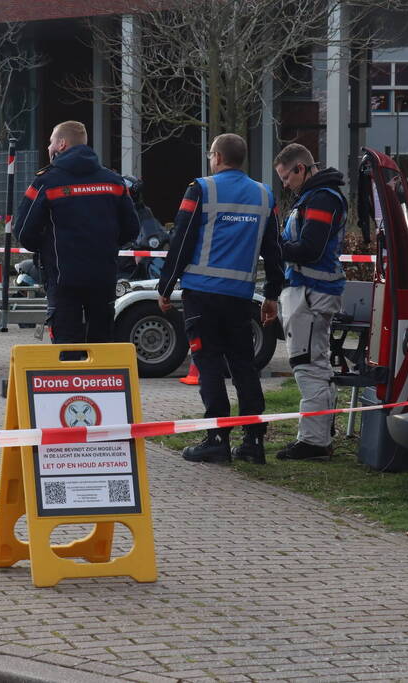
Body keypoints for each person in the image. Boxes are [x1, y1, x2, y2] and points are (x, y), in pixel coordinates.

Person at [157, 133, 285, 464]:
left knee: (208, 363)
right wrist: (272, 294)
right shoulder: (263, 194)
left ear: (216, 157)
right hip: (241, 297)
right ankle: (253, 442)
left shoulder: (201, 189)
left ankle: (217, 439)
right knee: (244, 365)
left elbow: (181, 239)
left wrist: (165, 286)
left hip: (202, 295)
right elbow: (274, 250)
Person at [13, 120, 139, 343]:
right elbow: (131, 229)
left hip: (63, 279)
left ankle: (74, 378)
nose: (48, 147)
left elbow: (24, 231)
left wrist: (47, 248)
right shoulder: (113, 181)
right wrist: (107, 244)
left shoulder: (47, 182)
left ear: (62, 144)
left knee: (67, 348)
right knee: (101, 346)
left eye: (51, 141)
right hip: (103, 277)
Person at [272, 143, 348, 461]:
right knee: (315, 364)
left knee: (308, 366)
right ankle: (318, 436)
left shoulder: (321, 198)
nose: (285, 184)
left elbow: (309, 249)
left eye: (286, 177)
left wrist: (274, 246)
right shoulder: (317, 196)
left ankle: (314, 442)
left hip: (311, 292)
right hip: (312, 290)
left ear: (300, 169)